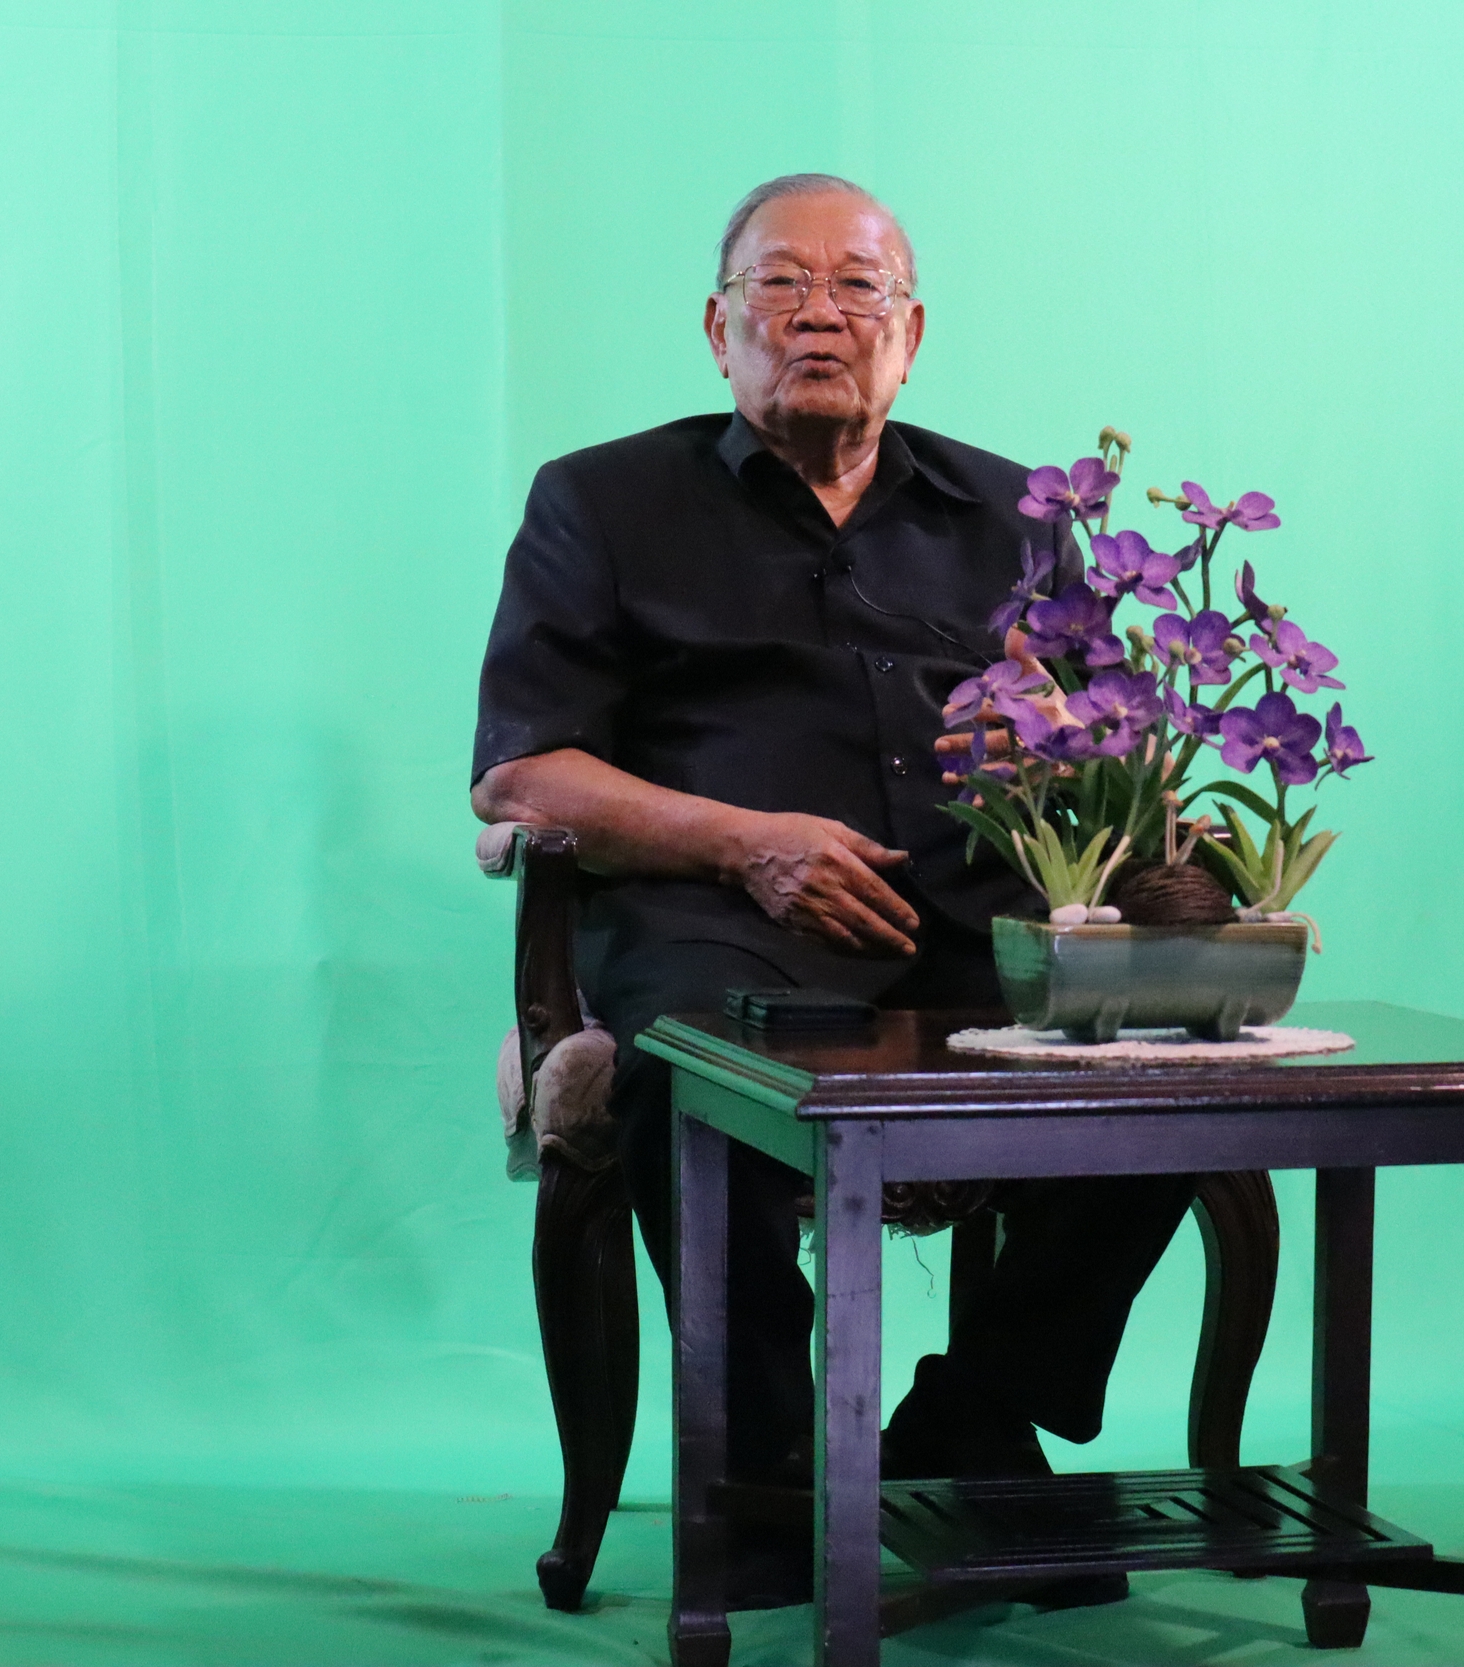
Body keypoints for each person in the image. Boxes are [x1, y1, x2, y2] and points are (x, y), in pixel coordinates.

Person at [470, 174, 1192, 1607]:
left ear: (910, 335)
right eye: (781, 283)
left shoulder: (1018, 515)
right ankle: (768, 1472)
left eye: (859, 286)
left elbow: (1135, 766)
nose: (820, 314)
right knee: (695, 1066)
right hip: (721, 920)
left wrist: (1065, 741)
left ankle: (974, 1416)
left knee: (1169, 1048)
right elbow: (522, 777)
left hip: (981, 924)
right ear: (718, 327)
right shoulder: (601, 501)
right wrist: (748, 843)